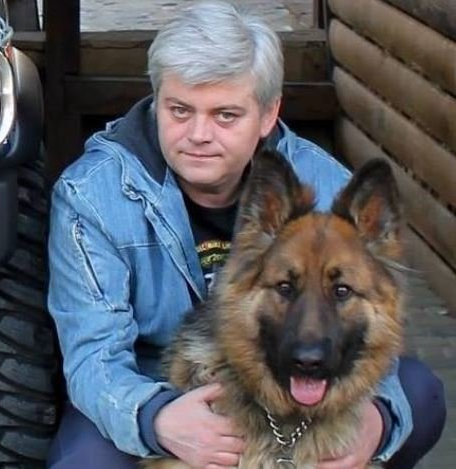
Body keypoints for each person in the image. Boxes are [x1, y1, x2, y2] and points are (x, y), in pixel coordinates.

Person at [46, 1, 446, 468]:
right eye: (179, 110)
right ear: (156, 102)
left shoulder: (327, 185)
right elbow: (93, 358)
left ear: (268, 113)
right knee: (84, 461)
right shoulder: (92, 195)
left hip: (300, 380)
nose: (198, 134)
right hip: (150, 382)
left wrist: (378, 421)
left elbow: (380, 334)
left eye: (225, 115)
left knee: (419, 395)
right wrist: (157, 418)